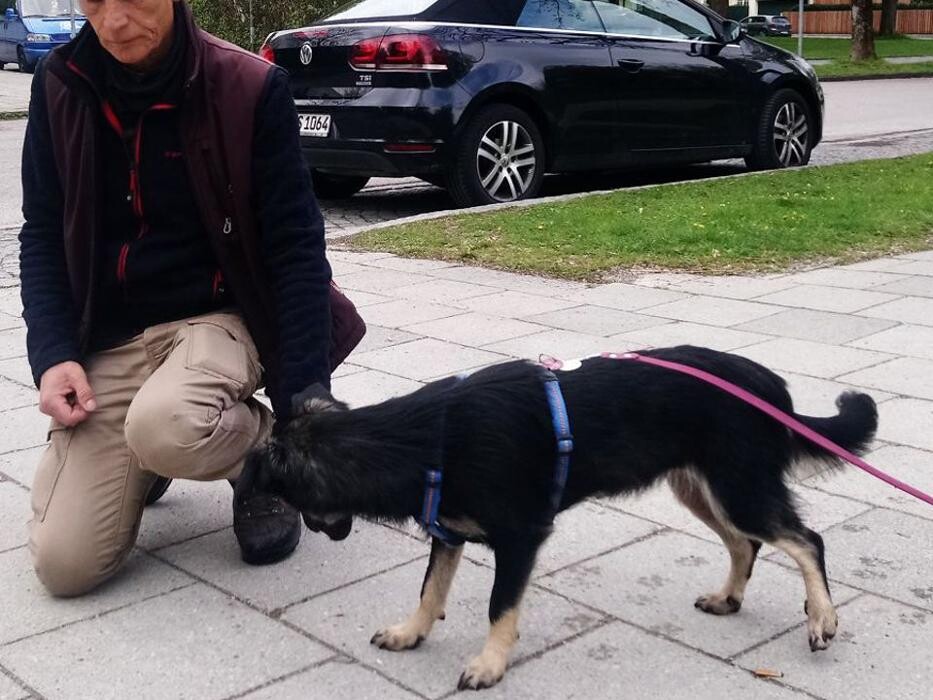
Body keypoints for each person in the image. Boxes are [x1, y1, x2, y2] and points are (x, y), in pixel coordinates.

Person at [19, 0, 363, 597]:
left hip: (217, 321)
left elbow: (296, 250)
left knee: (167, 424)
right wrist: (53, 355)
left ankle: (266, 455)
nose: (114, 21)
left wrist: (305, 413)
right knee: (65, 566)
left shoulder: (248, 87)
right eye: (94, 0)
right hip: (113, 340)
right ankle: (153, 449)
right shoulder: (59, 85)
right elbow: (42, 232)